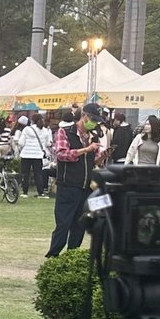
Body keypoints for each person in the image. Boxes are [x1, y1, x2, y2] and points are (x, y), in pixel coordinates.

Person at [46, 104, 103, 257]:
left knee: (79, 226)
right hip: (68, 185)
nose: (95, 124)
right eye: (93, 119)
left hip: (85, 187)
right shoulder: (64, 132)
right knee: (63, 224)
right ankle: (53, 256)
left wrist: (101, 156)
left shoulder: (92, 136)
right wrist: (86, 149)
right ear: (84, 116)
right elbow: (62, 155)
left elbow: (92, 161)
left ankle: (72, 257)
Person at [12, 112, 50, 194]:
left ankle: (25, 192)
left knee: (25, 174)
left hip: (26, 154)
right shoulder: (45, 131)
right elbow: (48, 143)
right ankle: (40, 192)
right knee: (38, 174)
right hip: (38, 155)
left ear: (32, 121)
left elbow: (22, 143)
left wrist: (17, 142)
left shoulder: (27, 129)